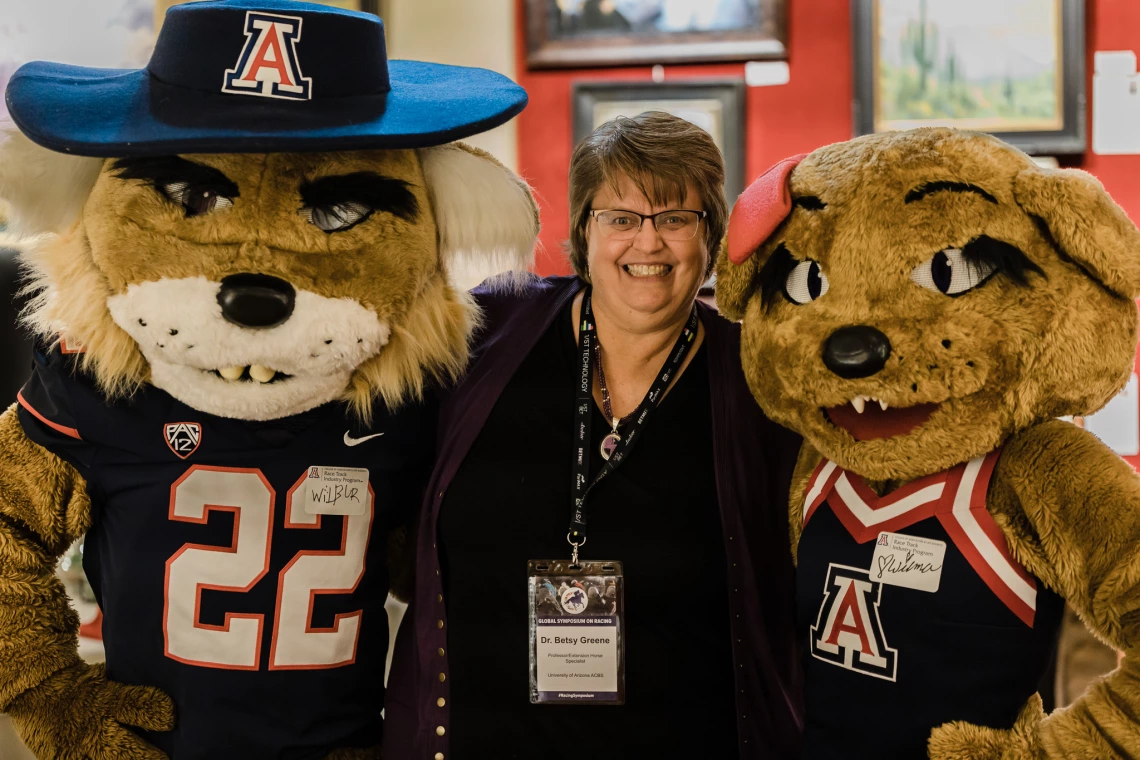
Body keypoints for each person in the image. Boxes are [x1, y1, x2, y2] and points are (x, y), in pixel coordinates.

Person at [384, 111, 803, 759]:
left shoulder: (760, 380)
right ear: (583, 228)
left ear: (711, 234)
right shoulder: (484, 334)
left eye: (675, 218)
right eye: (621, 218)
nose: (648, 244)